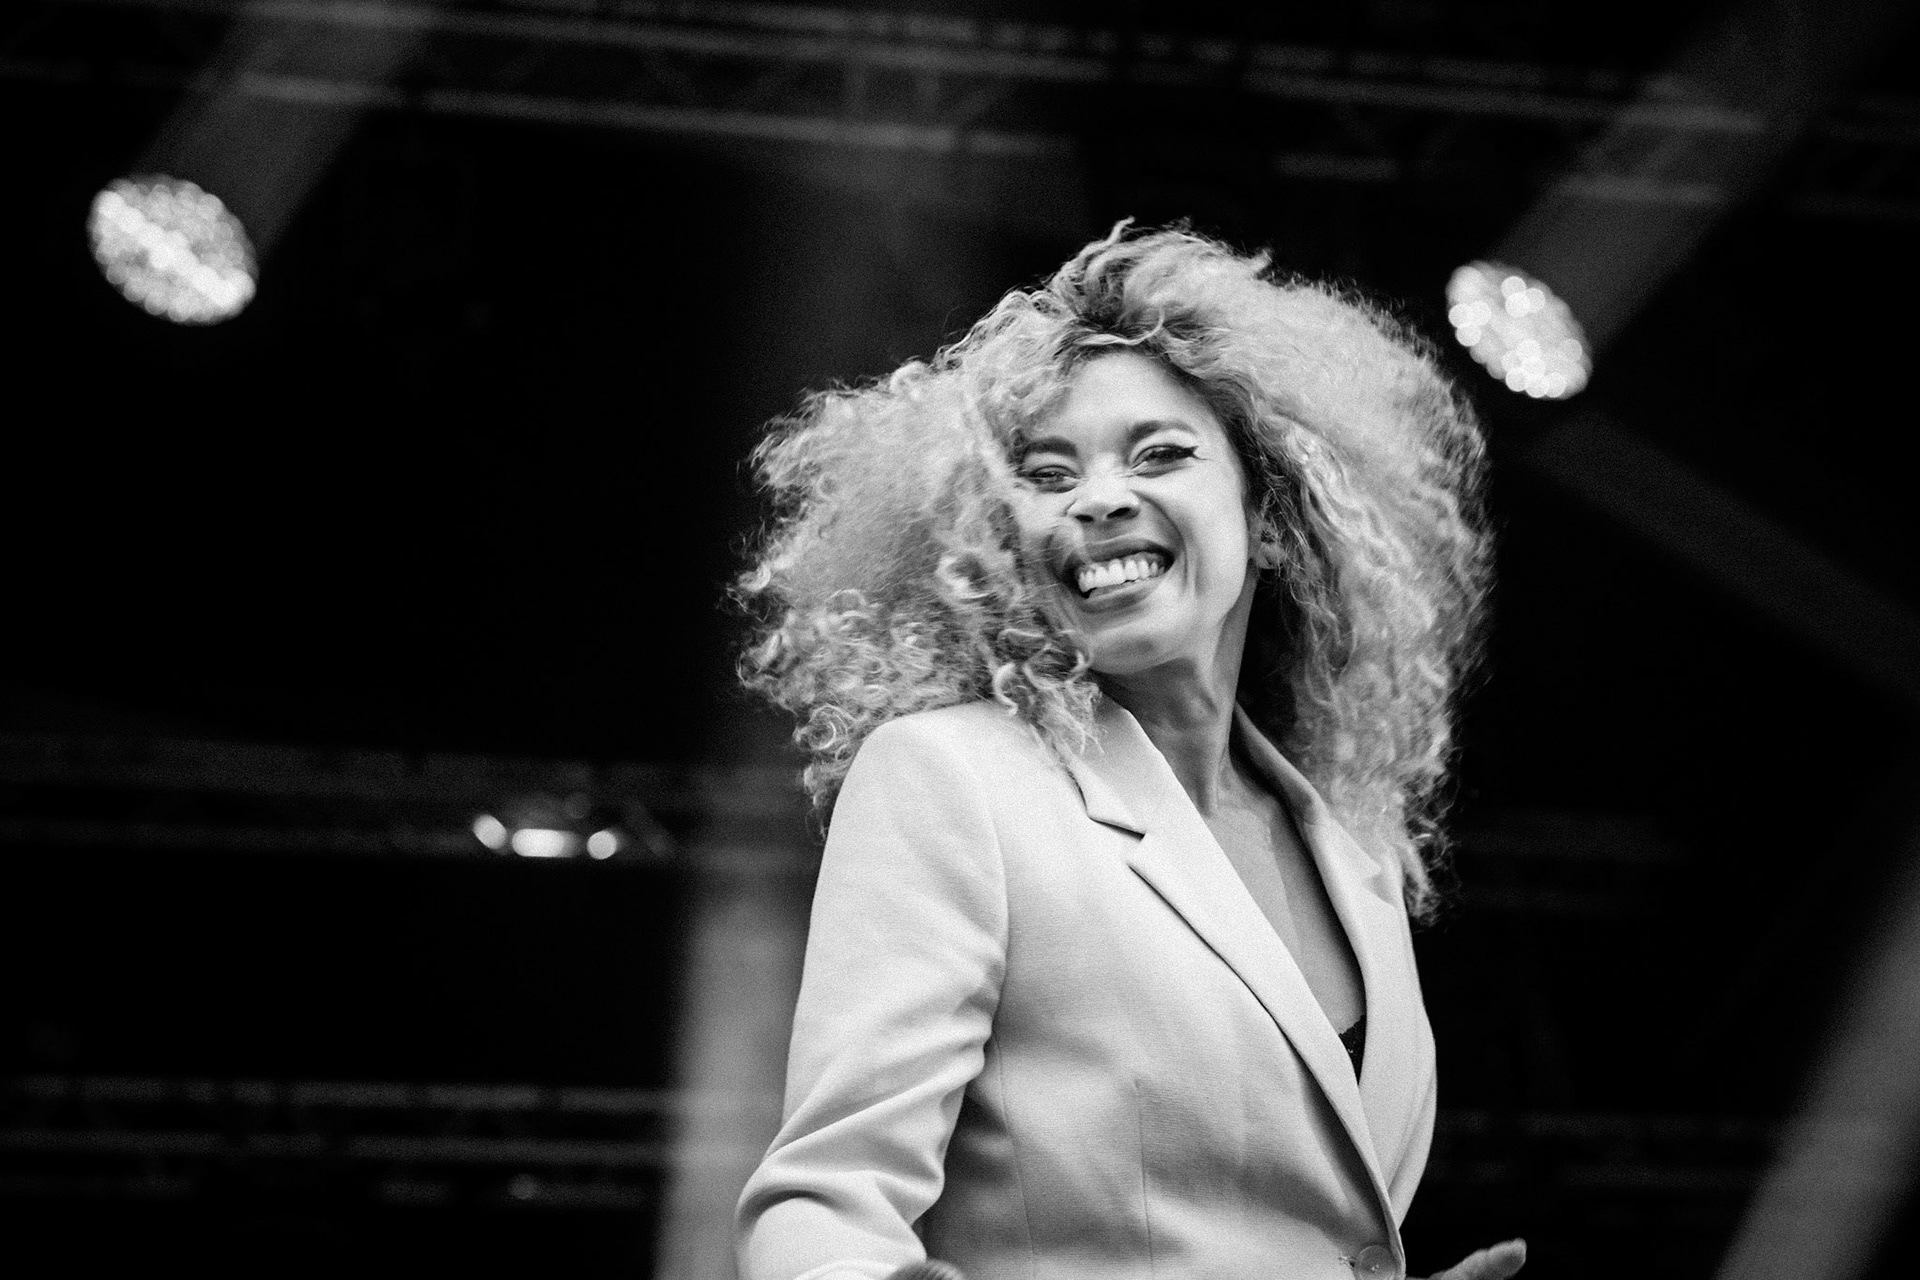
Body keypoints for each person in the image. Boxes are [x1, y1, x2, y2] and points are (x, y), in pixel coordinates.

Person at [733, 224, 1523, 1280]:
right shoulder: (954, 778)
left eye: (1160, 453)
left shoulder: (1352, 842)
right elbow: (819, 1213)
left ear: (1270, 508)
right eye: (1047, 473)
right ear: (1003, 543)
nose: (1098, 496)